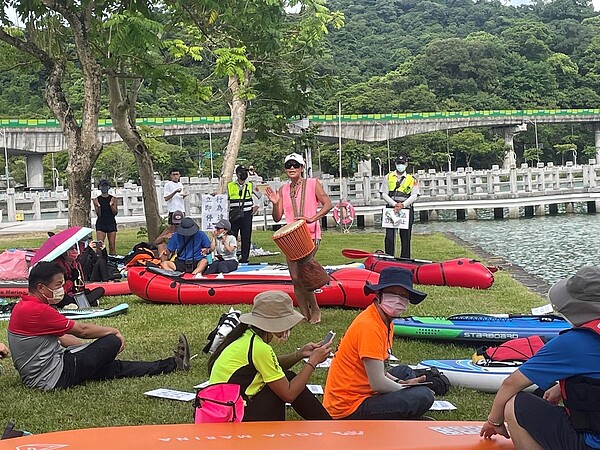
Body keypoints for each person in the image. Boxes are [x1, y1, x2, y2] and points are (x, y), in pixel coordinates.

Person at [7, 262, 190, 390]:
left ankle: (171, 365)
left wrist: (91, 351)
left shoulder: (24, 306)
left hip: (48, 372)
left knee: (112, 368)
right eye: (57, 285)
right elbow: (82, 330)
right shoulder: (36, 310)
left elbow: (63, 338)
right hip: (53, 377)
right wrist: (113, 333)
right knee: (110, 341)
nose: (61, 289)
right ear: (41, 288)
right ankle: (169, 364)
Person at [480, 266, 600, 450]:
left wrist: (494, 420)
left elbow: (511, 384)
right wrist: (561, 387)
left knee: (514, 404)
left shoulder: (572, 343)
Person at [323, 267, 434, 420]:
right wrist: (405, 388)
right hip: (347, 407)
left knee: (403, 371)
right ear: (378, 294)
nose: (397, 299)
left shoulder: (385, 320)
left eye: (403, 295)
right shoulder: (369, 325)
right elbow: (378, 383)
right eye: (392, 293)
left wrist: (400, 381)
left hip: (365, 389)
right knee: (423, 396)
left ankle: (404, 412)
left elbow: (380, 370)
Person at [208, 290, 332, 422]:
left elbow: (272, 365)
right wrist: (312, 362)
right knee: (287, 383)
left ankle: (325, 423)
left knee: (287, 377)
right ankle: (327, 424)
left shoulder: (247, 336)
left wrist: (299, 354)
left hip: (225, 409)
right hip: (233, 416)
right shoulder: (260, 348)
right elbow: (289, 395)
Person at [265, 153, 333, 324]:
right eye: (289, 165)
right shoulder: (283, 189)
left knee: (304, 274)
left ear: (302, 168)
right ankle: (304, 314)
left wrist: (314, 218)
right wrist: (275, 203)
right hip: (290, 236)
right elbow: (277, 217)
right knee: (295, 277)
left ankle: (315, 310)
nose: (292, 168)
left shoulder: (312, 184)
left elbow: (327, 204)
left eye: (295, 165)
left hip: (309, 234)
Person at [379, 155, 419, 258]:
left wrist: (403, 205)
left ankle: (405, 258)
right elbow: (384, 193)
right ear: (396, 164)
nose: (400, 165)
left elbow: (414, 195)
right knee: (389, 237)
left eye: (402, 163)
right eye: (398, 163)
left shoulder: (412, 179)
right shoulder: (388, 177)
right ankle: (389, 257)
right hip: (391, 209)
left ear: (406, 164)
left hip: (406, 209)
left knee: (406, 237)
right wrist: (394, 204)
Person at [54, 242, 104, 308]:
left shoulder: (75, 263)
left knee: (100, 290)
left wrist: (103, 249)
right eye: (71, 249)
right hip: (63, 294)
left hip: (75, 292)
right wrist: (71, 280)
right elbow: (60, 289)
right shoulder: (59, 265)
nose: (74, 251)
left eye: (75, 249)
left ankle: (82, 302)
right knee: (63, 297)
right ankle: (84, 303)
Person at [228, 165, 259, 263]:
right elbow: (224, 198)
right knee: (233, 236)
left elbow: (260, 195)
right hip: (234, 214)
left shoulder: (250, 185)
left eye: (245, 172)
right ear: (237, 174)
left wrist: (257, 206)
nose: (244, 174)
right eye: (242, 172)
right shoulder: (230, 186)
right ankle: (232, 256)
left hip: (246, 214)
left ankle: (245, 257)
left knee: (246, 236)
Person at [92, 179, 118, 256]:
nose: (104, 187)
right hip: (101, 223)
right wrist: (98, 206)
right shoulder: (96, 199)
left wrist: (111, 205)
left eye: (106, 186)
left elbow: (115, 213)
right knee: (99, 245)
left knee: (112, 245)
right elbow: (98, 214)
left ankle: (113, 261)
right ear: (99, 187)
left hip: (111, 222)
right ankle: (99, 261)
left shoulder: (113, 199)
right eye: (102, 186)